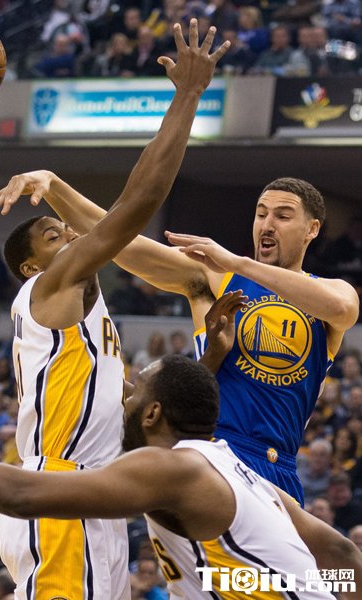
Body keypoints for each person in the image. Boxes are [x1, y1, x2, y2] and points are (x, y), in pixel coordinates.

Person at [0, 20, 230, 600]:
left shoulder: (88, 327)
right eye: (55, 236)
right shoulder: (47, 290)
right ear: (32, 267)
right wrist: (188, 95)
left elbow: (137, 415)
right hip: (62, 493)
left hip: (89, 494)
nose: (72, 235)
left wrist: (208, 362)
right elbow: (139, 202)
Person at [0, 357, 361, 599]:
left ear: (153, 413)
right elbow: (341, 557)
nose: (124, 399)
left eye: (133, 391)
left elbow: (21, 494)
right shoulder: (242, 474)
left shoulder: (171, 467)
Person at [18, 173, 358, 507]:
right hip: (213, 452)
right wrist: (55, 188)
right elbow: (121, 242)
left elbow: (342, 310)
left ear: (312, 229)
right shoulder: (214, 275)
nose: (267, 225)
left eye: (282, 216)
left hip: (280, 466)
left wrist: (239, 263)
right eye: (260, 214)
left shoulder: (332, 290)